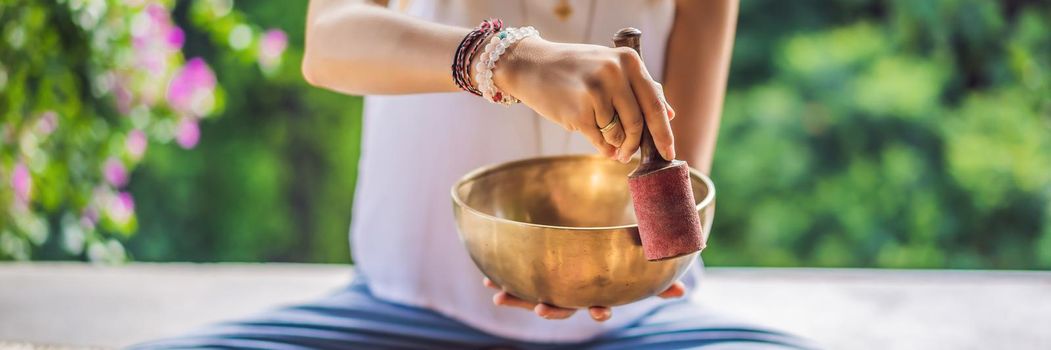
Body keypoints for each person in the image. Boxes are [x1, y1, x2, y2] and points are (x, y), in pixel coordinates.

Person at [136, 0, 810, 348]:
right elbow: (330, 38)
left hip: (642, 326)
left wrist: (636, 268)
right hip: (399, 309)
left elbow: (677, 168)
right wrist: (509, 59)